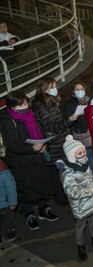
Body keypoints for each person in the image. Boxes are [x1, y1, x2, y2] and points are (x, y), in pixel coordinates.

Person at [1, 90, 56, 230]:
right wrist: (32, 148)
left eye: (26, 103)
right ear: (12, 107)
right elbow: (12, 145)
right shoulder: (8, 121)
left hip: (37, 158)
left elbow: (40, 131)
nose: (25, 106)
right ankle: (28, 214)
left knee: (41, 184)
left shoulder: (32, 115)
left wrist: (43, 145)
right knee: (25, 190)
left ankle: (44, 208)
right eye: (20, 105)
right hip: (21, 163)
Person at [57, 135, 93, 261]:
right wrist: (92, 190)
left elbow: (91, 177)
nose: (84, 154)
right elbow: (72, 191)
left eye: (84, 151)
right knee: (80, 225)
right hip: (80, 205)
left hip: (91, 200)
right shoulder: (68, 172)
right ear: (72, 155)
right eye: (80, 153)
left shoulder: (84, 164)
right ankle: (80, 246)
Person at [33, 77, 77, 205]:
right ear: (44, 89)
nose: (55, 89)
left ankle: (65, 195)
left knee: (65, 170)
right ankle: (61, 198)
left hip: (61, 141)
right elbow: (51, 126)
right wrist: (69, 120)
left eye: (55, 86)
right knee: (56, 172)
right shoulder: (41, 106)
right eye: (52, 87)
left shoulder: (52, 101)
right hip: (53, 143)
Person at [61, 81, 93, 175]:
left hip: (92, 136)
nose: (80, 91)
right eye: (77, 90)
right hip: (80, 137)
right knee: (89, 164)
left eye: (82, 89)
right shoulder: (69, 104)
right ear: (73, 92)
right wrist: (72, 118)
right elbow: (66, 122)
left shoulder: (90, 101)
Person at [0, 132, 17, 244]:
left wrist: (12, 202)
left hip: (4, 203)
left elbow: (10, 187)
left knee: (9, 217)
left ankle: (11, 228)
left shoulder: (2, 170)